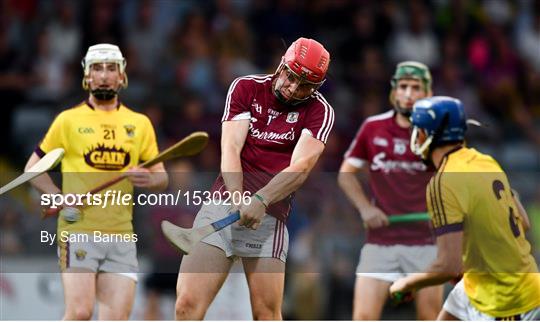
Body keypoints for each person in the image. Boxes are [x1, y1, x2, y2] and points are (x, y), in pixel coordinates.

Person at [170, 37, 334, 320]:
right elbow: (231, 148)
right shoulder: (246, 87)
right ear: (281, 64)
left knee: (266, 315)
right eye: (291, 77)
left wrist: (262, 199)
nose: (294, 89)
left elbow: (302, 166)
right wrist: (237, 197)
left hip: (270, 216)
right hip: (223, 206)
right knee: (186, 306)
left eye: (305, 86)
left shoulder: (320, 111)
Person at [25, 43, 168, 320]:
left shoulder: (139, 124)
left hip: (121, 234)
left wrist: (147, 179)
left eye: (111, 68)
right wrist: (57, 195)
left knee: (115, 318)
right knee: (80, 312)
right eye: (97, 69)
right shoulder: (68, 121)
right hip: (77, 229)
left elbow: (162, 178)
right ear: (87, 76)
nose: (104, 75)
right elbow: (33, 169)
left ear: (122, 76)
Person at [390, 96, 540, 320]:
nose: (416, 136)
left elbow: (448, 266)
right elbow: (523, 223)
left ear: (429, 135)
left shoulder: (442, 181)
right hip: (479, 283)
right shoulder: (486, 161)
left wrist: (405, 284)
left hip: (507, 299)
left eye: (418, 130)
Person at [338, 61, 443, 320]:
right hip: (381, 241)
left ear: (427, 93)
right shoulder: (372, 128)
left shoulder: (438, 133)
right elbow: (345, 174)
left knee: (430, 317)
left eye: (416, 88)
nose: (408, 93)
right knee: (363, 317)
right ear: (393, 91)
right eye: (403, 86)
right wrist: (365, 208)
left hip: (427, 242)